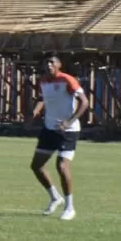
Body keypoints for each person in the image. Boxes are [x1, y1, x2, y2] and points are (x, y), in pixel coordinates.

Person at [27, 54, 89, 221]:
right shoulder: (43, 81)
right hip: (49, 129)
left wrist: (69, 122)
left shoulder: (68, 80)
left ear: (59, 65)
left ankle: (70, 208)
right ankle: (55, 197)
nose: (48, 65)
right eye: (46, 62)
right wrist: (34, 112)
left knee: (61, 166)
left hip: (68, 131)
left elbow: (84, 102)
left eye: (52, 62)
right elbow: (43, 98)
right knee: (36, 166)